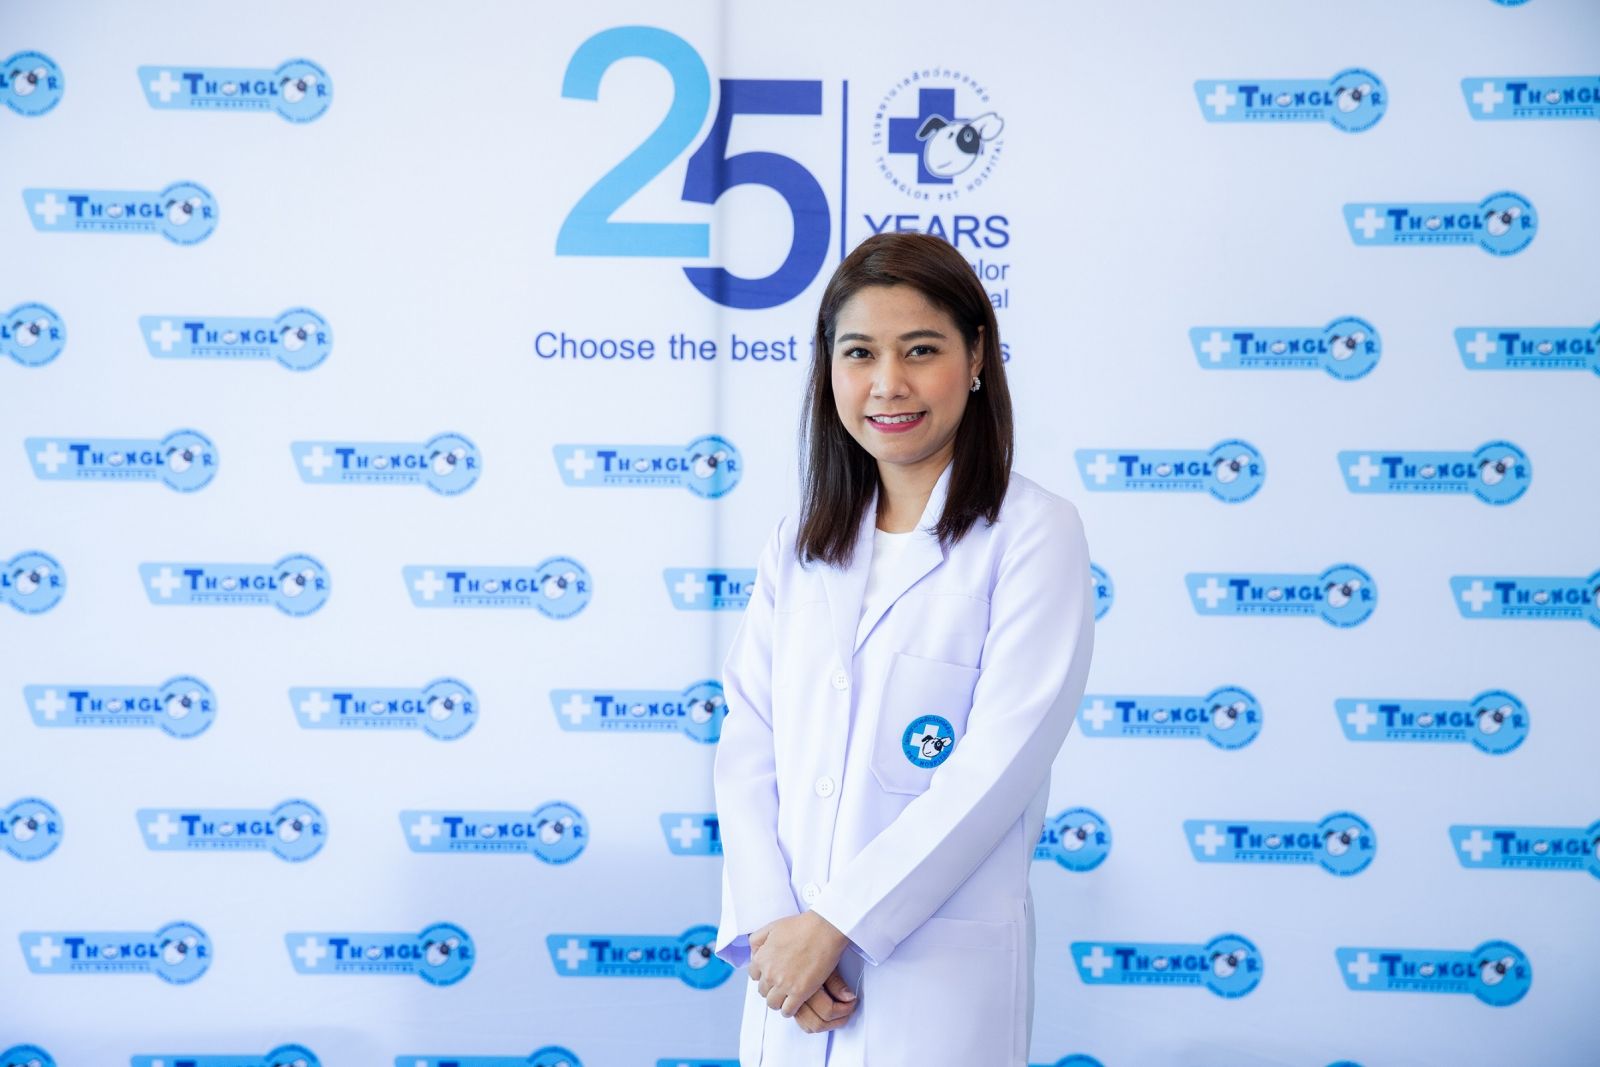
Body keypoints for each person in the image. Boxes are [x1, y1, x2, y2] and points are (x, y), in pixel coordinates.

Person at [712, 230, 1096, 1066]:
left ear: (977, 356)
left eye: (921, 349)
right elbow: (748, 747)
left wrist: (837, 923)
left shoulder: (1033, 535)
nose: (888, 382)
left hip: (933, 987)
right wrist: (777, 927)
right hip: (790, 980)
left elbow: (994, 769)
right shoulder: (800, 543)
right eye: (860, 353)